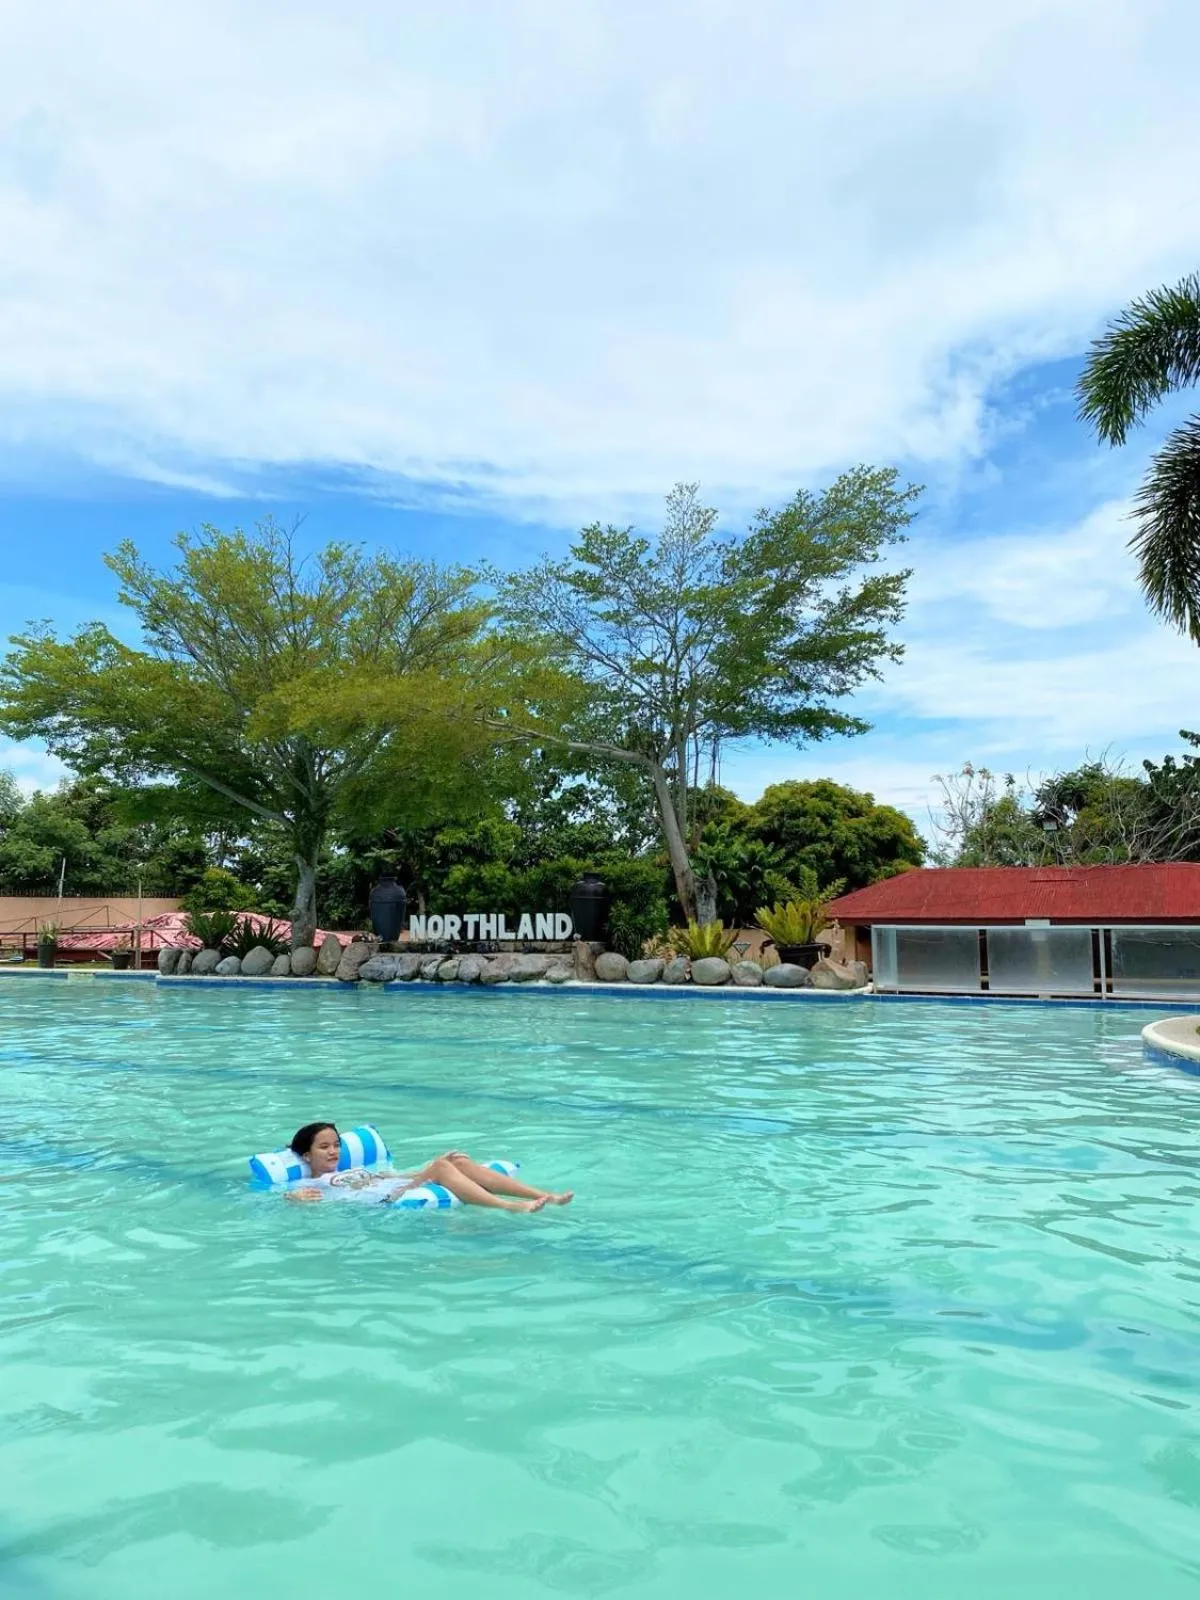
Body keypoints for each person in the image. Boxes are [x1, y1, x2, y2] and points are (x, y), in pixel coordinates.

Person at [283, 1122, 573, 1213]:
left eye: (336, 1144)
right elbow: (288, 1197)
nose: (334, 1151)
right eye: (324, 1147)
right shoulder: (312, 1183)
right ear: (306, 1156)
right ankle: (510, 1207)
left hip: (394, 1185)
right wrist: (292, 1198)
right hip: (385, 1201)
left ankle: (549, 1195)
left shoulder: (356, 1170)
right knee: (439, 1166)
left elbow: (398, 1175)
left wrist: (435, 1165)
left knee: (455, 1161)